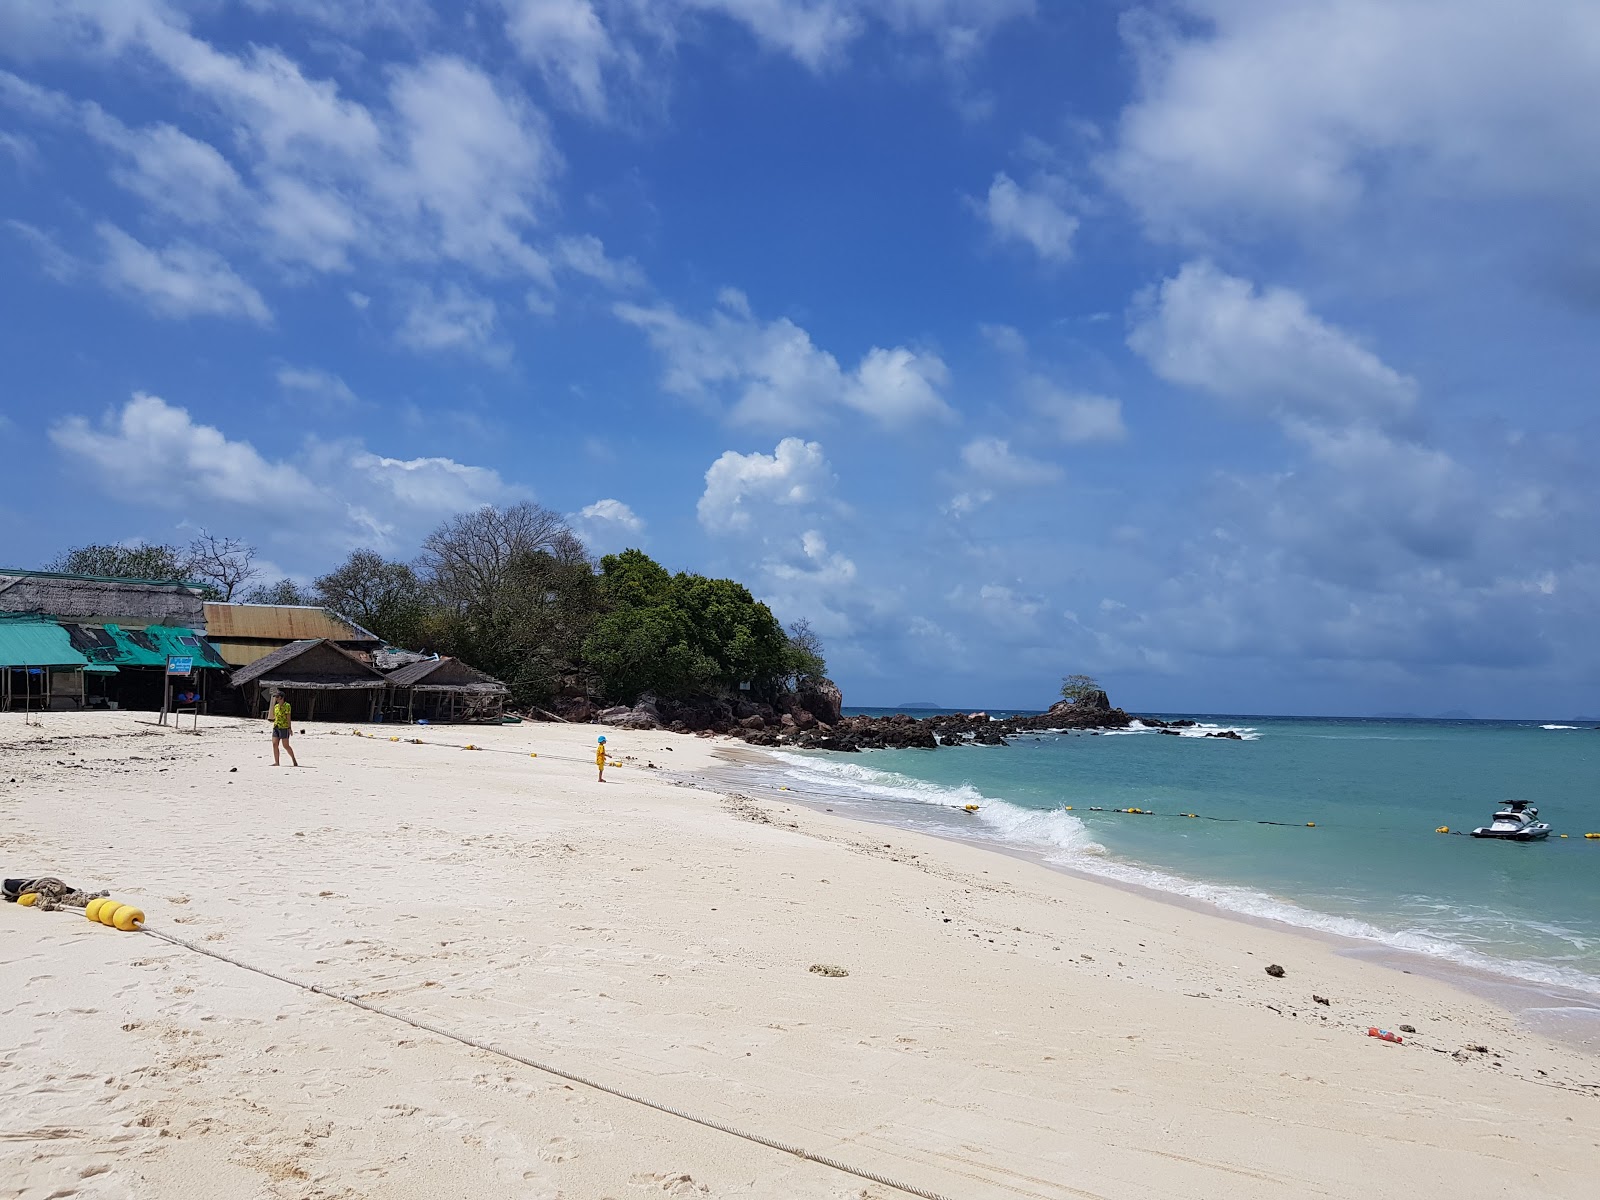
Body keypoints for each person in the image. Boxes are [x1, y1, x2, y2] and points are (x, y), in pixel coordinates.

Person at [269, 690, 299, 767]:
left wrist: (289, 728)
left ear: (281, 698)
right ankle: (277, 762)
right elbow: (274, 716)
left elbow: (288, 717)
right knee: (274, 744)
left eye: (277, 697)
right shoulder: (276, 706)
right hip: (276, 726)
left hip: (284, 727)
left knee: (285, 745)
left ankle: (293, 758)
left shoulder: (287, 706)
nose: (276, 698)